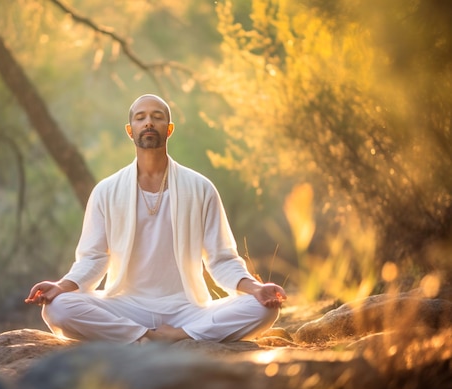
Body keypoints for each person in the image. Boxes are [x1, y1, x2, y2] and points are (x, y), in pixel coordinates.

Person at [26, 94, 286, 344]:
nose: (148, 122)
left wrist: (255, 288)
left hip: (188, 308)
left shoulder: (200, 187)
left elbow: (222, 260)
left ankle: (179, 335)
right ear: (130, 130)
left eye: (157, 116)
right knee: (56, 308)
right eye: (140, 117)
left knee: (264, 310)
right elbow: (92, 258)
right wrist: (60, 286)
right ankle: (141, 336)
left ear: (169, 129)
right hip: (126, 305)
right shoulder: (106, 190)